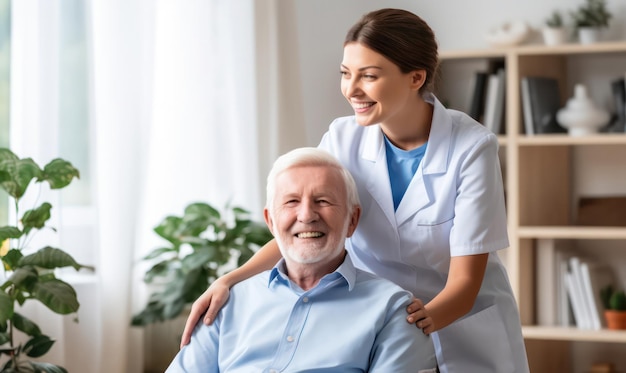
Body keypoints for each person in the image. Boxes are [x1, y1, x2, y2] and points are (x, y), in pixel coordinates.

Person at [181, 8, 529, 373]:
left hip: (458, 325)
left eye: (369, 76)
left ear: (416, 77)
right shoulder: (342, 137)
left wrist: (398, 328)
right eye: (346, 74)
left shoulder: (471, 148)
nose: (351, 89)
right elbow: (304, 229)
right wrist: (229, 281)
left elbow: (465, 282)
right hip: (374, 317)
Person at [166, 147, 437, 373]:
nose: (306, 215)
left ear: (352, 220)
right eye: (292, 201)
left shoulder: (395, 310)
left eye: (323, 201)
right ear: (271, 221)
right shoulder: (227, 305)